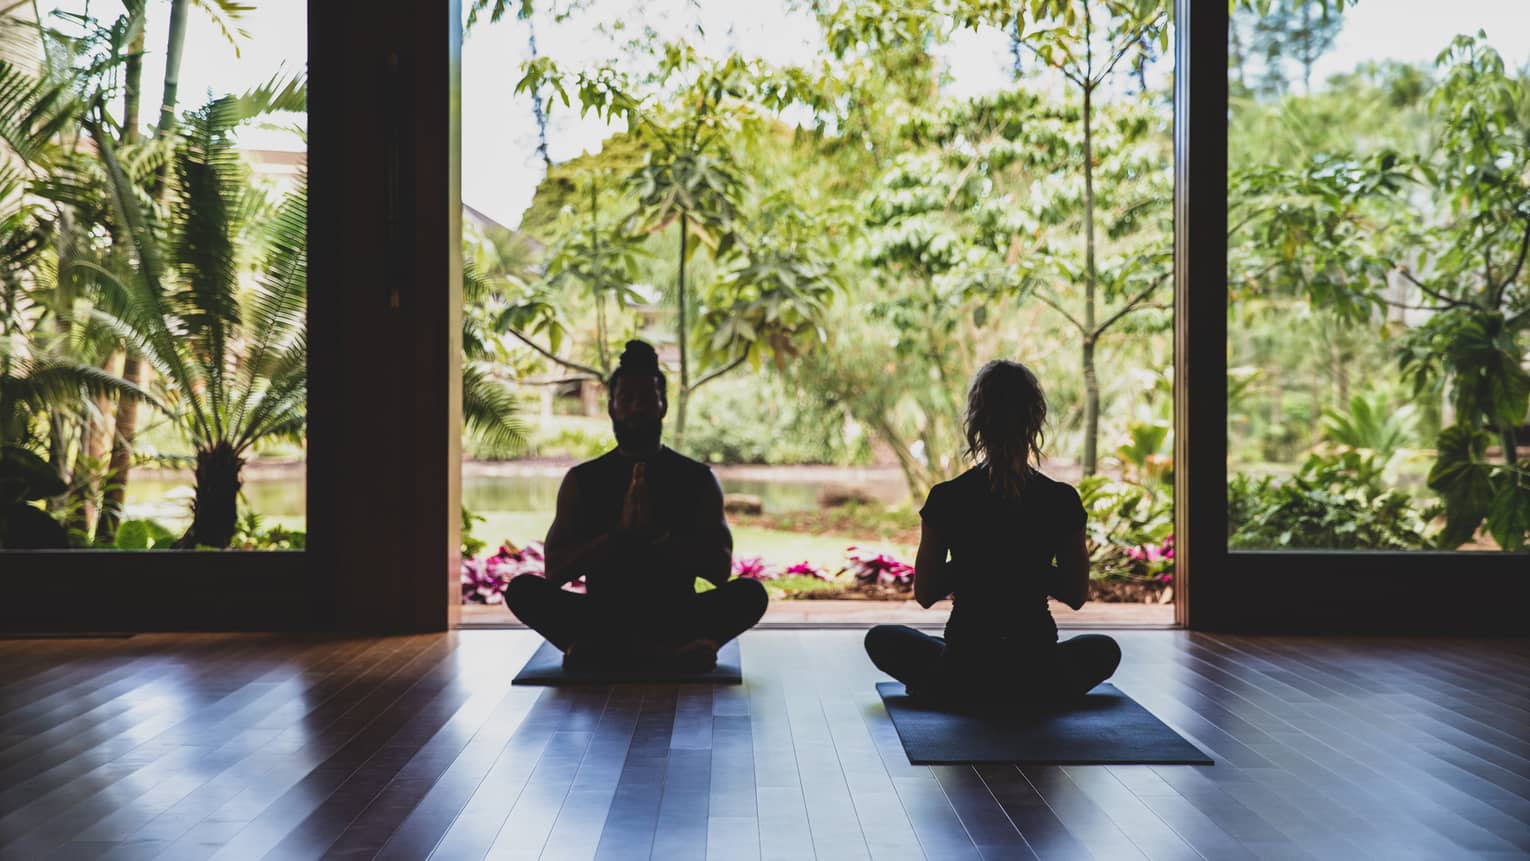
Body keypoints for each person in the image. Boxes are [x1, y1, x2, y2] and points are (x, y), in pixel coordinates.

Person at [863, 360, 1121, 703]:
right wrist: (1026, 562)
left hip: (965, 664)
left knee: (882, 639)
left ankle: (950, 690)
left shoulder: (948, 497)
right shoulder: (1060, 499)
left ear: (976, 422)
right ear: (1034, 420)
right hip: (1036, 666)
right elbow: (1075, 595)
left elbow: (925, 593)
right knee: (1103, 650)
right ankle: (1031, 694)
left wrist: (975, 561)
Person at [505, 340, 768, 672]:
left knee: (751, 594)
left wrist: (658, 536)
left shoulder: (697, 478)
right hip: (602, 617)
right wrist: (619, 535)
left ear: (662, 405)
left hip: (676, 616)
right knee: (523, 590)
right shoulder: (583, 479)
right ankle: (671, 654)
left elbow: (719, 571)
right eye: (625, 399)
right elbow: (555, 571)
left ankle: (606, 653)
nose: (635, 409)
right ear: (612, 407)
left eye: (646, 398)